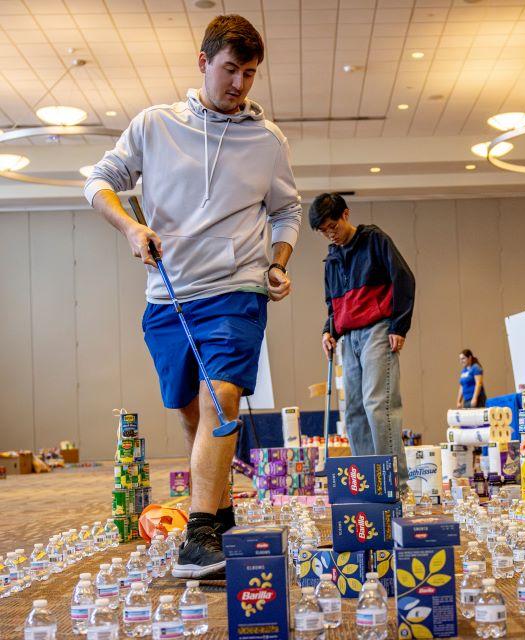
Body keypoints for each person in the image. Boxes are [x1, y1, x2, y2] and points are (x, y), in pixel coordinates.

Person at [84, 15, 301, 578]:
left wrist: (278, 262)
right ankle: (221, 510)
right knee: (190, 413)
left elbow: (286, 210)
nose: (240, 84)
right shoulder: (154, 126)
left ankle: (201, 533)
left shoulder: (268, 140)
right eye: (231, 69)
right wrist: (131, 229)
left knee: (220, 399)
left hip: (236, 289)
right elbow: (98, 181)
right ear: (204, 63)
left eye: (250, 74)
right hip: (169, 294)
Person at [311, 193, 415, 490]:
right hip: (348, 339)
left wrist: (399, 325)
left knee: (377, 404)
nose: (330, 234)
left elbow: (404, 279)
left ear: (346, 214)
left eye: (332, 226)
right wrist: (327, 330)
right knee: (353, 411)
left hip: (378, 331)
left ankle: (396, 485)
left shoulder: (374, 240)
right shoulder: (331, 260)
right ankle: (368, 484)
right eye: (324, 231)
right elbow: (333, 305)